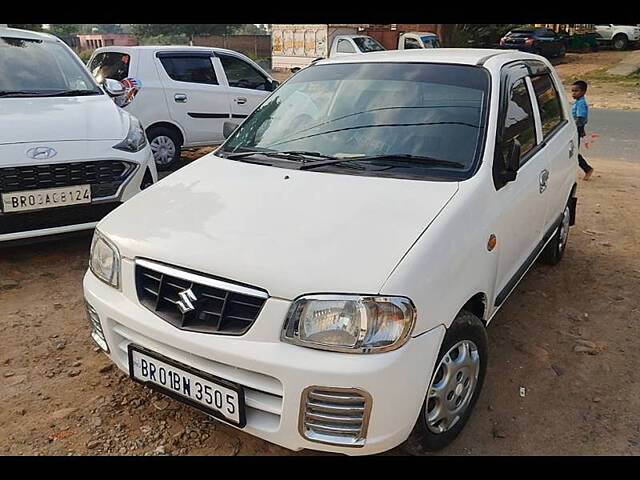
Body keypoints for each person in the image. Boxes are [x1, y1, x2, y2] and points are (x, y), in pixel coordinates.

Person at [571, 80, 594, 180]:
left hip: (576, 129)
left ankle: (587, 169)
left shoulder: (581, 103)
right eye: (572, 91)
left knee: (574, 151)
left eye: (576, 91)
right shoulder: (578, 102)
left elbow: (579, 118)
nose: (573, 93)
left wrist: (571, 128)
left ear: (583, 92)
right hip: (577, 128)